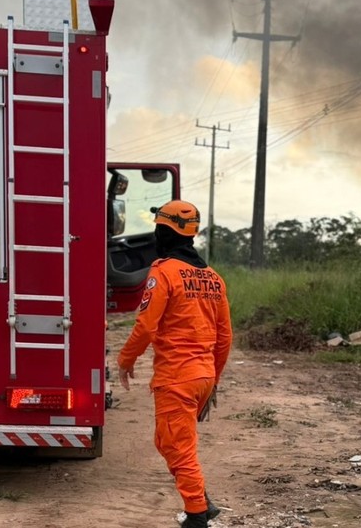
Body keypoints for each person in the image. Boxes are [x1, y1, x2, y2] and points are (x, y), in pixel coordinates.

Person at [117, 200, 233, 528]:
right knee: (166, 440)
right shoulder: (214, 279)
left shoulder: (163, 271)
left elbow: (146, 326)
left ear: (164, 231)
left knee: (178, 446)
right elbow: (224, 337)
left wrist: (126, 360)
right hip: (202, 376)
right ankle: (201, 500)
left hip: (177, 378)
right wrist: (213, 381)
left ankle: (197, 515)